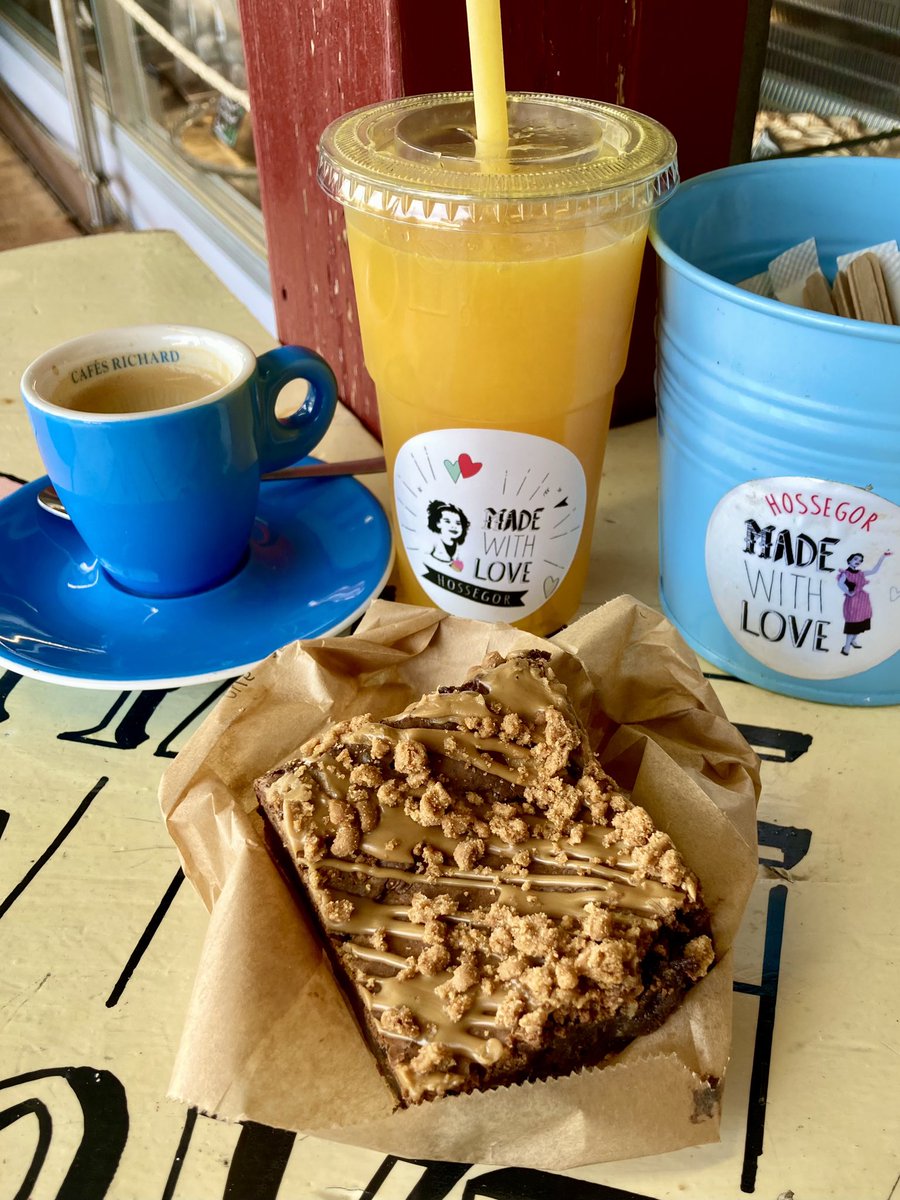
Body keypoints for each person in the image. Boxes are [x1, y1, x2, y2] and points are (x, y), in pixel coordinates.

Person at [836, 550, 892, 654]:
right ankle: (846, 647)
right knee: (853, 624)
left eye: (860, 560)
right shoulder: (846, 573)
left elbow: (874, 570)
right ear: (850, 560)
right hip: (852, 602)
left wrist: (882, 557)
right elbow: (840, 584)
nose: (858, 561)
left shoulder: (860, 573)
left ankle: (853, 641)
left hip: (863, 601)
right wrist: (848, 592)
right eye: (856, 559)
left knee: (862, 622)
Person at [426, 500, 470, 568]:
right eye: (447, 521)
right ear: (438, 524)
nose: (454, 526)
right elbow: (424, 557)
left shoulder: (457, 546)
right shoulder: (434, 541)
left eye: (458, 523)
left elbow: (458, 566)